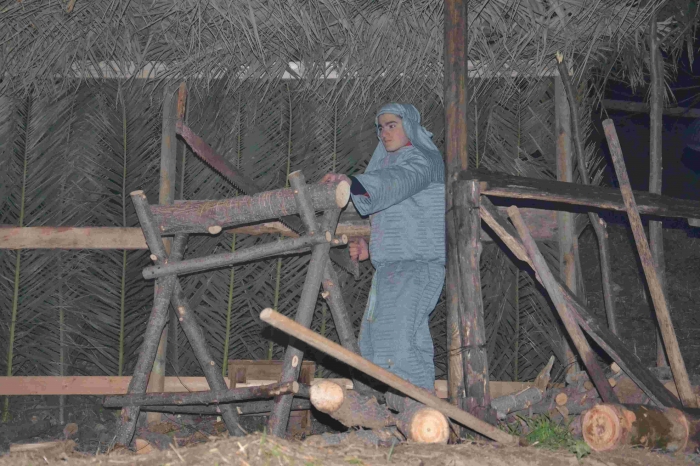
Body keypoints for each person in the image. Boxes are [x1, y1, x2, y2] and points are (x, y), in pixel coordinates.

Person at [323, 103, 445, 391]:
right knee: (379, 342)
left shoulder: (423, 160)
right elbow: (399, 214)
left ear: (410, 126)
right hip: (392, 268)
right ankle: (395, 415)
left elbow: (395, 183)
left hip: (417, 265)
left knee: (400, 344)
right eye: (381, 127)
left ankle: (416, 411)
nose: (384, 132)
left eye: (392, 125)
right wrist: (371, 247)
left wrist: (351, 182)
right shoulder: (390, 163)